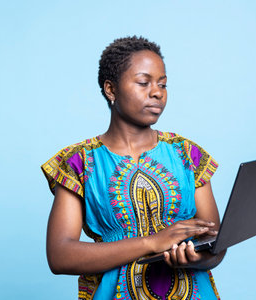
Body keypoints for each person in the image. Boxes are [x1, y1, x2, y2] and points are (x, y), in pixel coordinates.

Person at [41, 36, 226, 300]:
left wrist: (195, 259)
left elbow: (217, 245)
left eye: (163, 84)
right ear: (111, 89)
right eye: (144, 82)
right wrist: (151, 242)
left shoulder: (187, 154)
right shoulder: (78, 163)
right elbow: (60, 256)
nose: (157, 92)